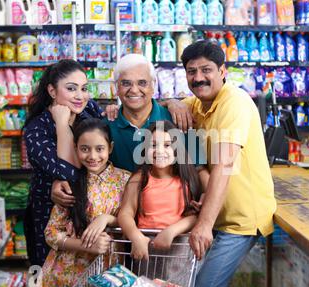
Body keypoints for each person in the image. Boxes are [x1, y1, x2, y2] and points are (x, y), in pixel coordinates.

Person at [165, 40, 277, 287]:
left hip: (241, 220)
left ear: (222, 71)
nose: (199, 78)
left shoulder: (233, 102)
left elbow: (225, 164)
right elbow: (160, 106)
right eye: (191, 71)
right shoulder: (196, 104)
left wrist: (203, 224)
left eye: (206, 70)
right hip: (218, 216)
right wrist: (172, 102)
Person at [51, 54, 208, 208]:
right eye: (126, 83)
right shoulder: (103, 128)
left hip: (170, 219)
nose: (134, 90)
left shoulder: (180, 120)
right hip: (115, 220)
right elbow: (83, 171)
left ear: (153, 85)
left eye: (142, 83)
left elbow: (200, 169)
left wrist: (206, 196)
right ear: (116, 87)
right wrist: (59, 183)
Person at [38, 118, 130, 287]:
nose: (93, 156)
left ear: (110, 148)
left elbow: (134, 219)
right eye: (85, 149)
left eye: (99, 149)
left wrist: (107, 218)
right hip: (69, 275)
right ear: (75, 148)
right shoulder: (70, 182)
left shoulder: (126, 180)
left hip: (110, 275)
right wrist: (87, 246)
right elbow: (51, 233)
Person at [23, 59, 104, 267]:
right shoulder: (37, 129)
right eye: (71, 88)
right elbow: (70, 172)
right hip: (50, 217)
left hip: (89, 214)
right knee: (53, 279)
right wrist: (61, 123)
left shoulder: (89, 110)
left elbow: (103, 149)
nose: (80, 96)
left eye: (84, 88)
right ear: (52, 91)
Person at [118, 120, 207, 261]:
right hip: (145, 249)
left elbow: (195, 216)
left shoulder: (186, 180)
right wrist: (135, 236)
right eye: (153, 145)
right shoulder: (139, 179)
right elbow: (125, 213)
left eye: (167, 145)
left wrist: (172, 231)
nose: (159, 151)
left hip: (179, 250)